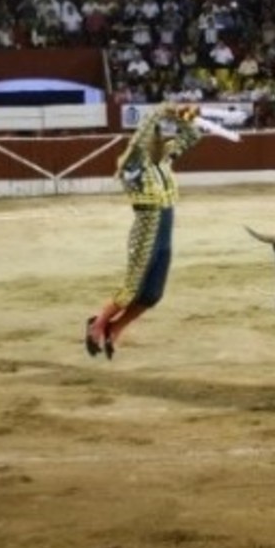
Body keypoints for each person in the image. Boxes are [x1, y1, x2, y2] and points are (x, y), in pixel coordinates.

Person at [85, 102, 204, 359]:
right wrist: (164, 109)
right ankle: (97, 323)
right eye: (158, 137)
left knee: (152, 294)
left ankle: (115, 329)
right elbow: (139, 140)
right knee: (131, 290)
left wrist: (187, 117)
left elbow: (193, 135)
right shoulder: (131, 162)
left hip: (164, 228)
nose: (164, 141)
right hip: (146, 229)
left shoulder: (164, 161)